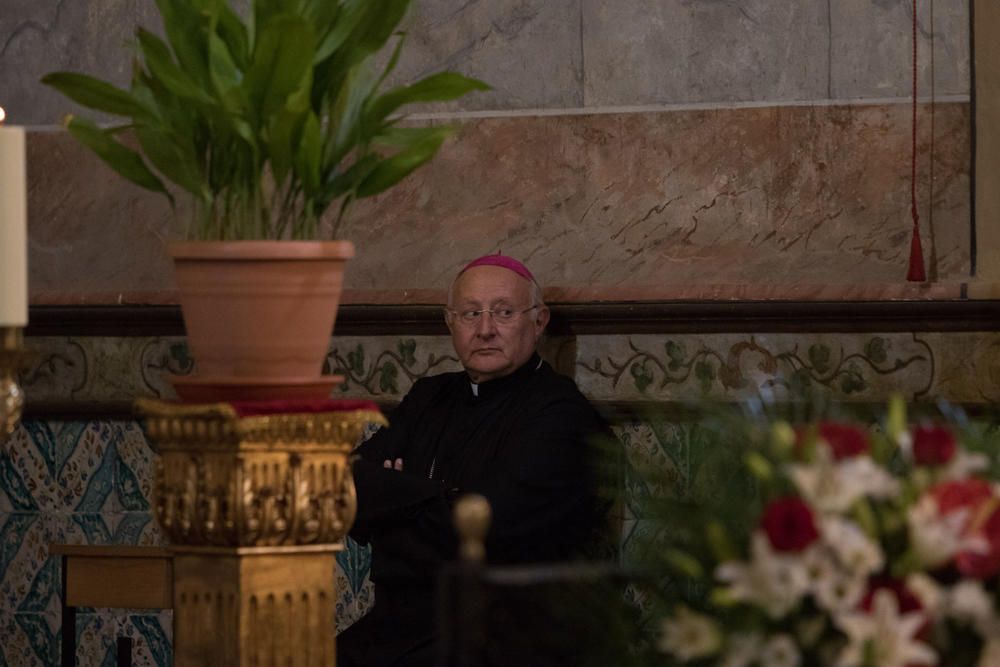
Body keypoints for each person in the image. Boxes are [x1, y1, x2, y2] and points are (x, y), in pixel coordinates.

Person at [337, 254, 608, 666]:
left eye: (503, 312)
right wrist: (442, 501)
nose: (485, 329)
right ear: (450, 322)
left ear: (539, 321)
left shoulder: (560, 413)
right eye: (470, 313)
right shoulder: (429, 397)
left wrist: (393, 502)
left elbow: (491, 529)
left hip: (505, 637)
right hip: (400, 623)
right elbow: (347, 492)